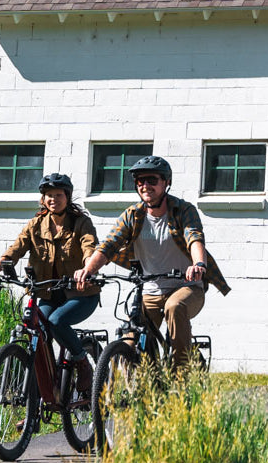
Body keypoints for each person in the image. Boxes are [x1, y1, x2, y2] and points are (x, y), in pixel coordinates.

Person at [75, 155, 230, 369]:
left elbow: (194, 237)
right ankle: (134, 391)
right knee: (131, 339)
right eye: (140, 181)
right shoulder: (133, 215)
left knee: (174, 307)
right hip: (150, 290)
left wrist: (199, 265)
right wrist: (88, 270)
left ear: (166, 182)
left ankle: (180, 376)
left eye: (152, 180)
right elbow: (109, 245)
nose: (145, 185)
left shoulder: (183, 210)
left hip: (187, 287)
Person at [0, 172, 101, 361]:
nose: (54, 199)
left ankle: (81, 361)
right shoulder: (35, 225)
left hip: (80, 293)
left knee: (56, 321)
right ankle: (44, 382)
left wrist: (86, 270)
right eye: (49, 195)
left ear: (67, 197)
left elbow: (89, 248)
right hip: (47, 294)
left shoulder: (80, 222)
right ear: (43, 199)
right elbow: (14, 251)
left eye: (59, 195)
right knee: (37, 330)